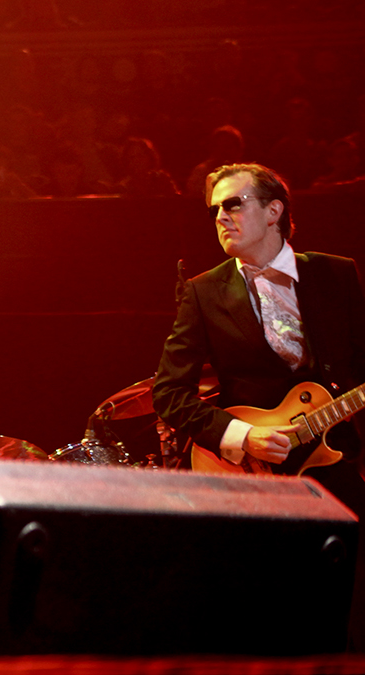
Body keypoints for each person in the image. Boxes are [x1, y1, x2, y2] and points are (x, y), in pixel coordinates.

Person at [151, 162, 365, 649]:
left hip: (336, 465)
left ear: (274, 211)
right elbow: (169, 392)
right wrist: (242, 435)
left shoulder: (335, 273)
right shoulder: (205, 292)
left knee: (349, 611)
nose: (220, 217)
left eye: (232, 204)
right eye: (213, 210)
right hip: (256, 474)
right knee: (272, 616)